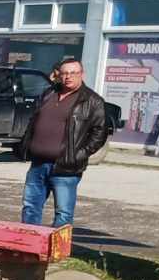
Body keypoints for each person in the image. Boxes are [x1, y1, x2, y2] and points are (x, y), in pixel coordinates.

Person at [20, 58, 110, 227]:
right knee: (30, 207)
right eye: (65, 73)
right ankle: (29, 249)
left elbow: (99, 133)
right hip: (38, 164)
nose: (68, 77)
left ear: (81, 74)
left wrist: (78, 155)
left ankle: (56, 253)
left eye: (73, 73)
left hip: (65, 166)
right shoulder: (48, 93)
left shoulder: (92, 101)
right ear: (58, 75)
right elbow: (33, 120)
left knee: (63, 213)